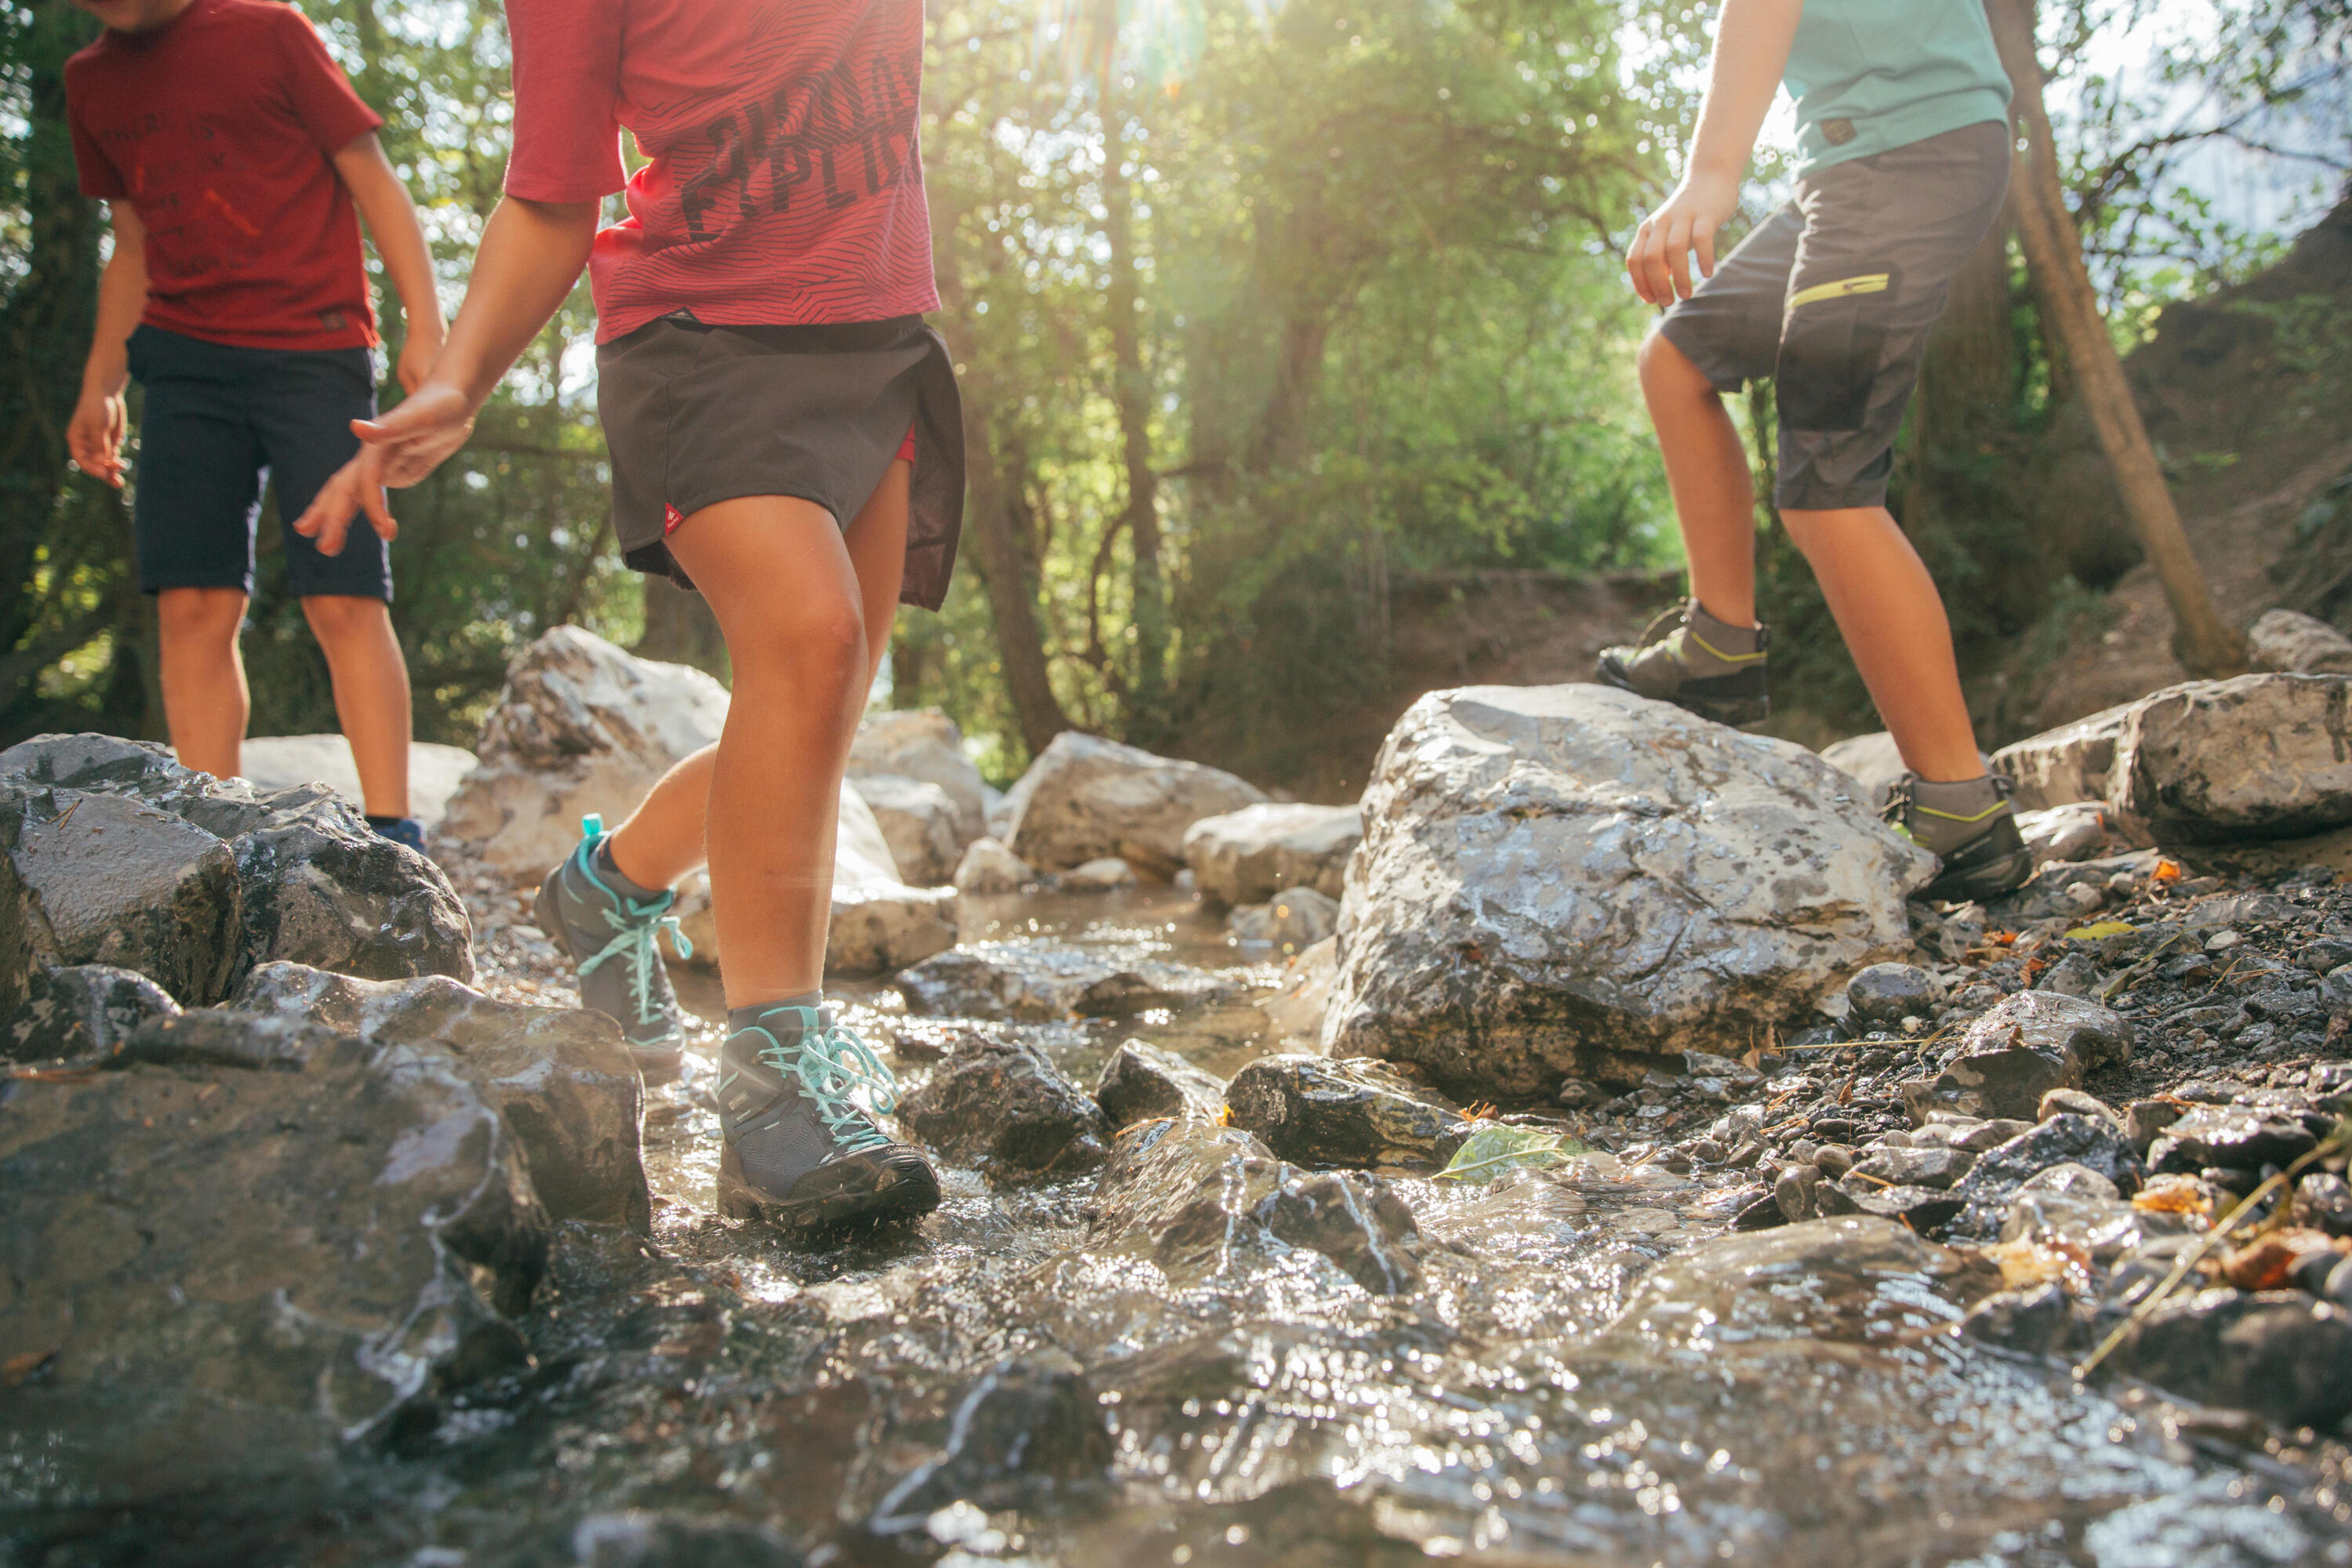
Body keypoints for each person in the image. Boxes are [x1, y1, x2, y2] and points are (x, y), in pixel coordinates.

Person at [294, 0, 963, 1237]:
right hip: (702, 344)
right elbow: (552, 193)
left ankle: (612, 888)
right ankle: (772, 1097)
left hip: (873, 342)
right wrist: (458, 378)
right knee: (810, 646)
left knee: (810, 719)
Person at [1596, 0, 2033, 900]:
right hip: (1851, 171)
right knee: (1678, 359)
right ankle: (1719, 647)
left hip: (1908, 158)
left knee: (1828, 487)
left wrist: (1713, 175)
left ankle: (1961, 804)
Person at [64, 0, 445, 851]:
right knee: (192, 603)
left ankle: (393, 834)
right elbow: (130, 242)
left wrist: (426, 326)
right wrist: (102, 382)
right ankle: (216, 835)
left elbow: (371, 175)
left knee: (343, 594)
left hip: (317, 352)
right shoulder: (89, 81)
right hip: (185, 360)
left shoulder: (269, 31)